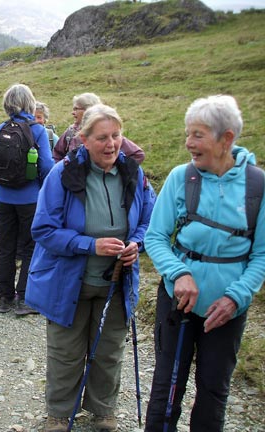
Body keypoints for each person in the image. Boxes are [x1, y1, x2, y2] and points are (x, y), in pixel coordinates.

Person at [25, 104, 155, 431]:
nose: (111, 144)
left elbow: (149, 220)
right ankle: (58, 413)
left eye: (116, 135)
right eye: (102, 138)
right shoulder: (63, 174)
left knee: (109, 351)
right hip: (69, 282)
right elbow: (43, 230)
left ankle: (103, 410)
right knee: (65, 352)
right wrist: (90, 245)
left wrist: (135, 244)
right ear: (84, 139)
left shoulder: (132, 173)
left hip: (116, 280)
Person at [143, 95, 265, 431]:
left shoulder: (258, 185)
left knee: (213, 391)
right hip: (178, 302)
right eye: (188, 134)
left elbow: (262, 254)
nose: (188, 143)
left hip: (227, 310)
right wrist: (178, 273)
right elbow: (155, 237)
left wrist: (236, 297)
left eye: (198, 135)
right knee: (166, 387)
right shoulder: (181, 178)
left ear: (226, 138)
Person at [0, 84, 54, 316]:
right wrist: (42, 189)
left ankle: (4, 298)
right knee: (30, 247)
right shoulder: (38, 130)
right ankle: (24, 299)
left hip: (3, 200)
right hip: (30, 201)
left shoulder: (0, 129)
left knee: (6, 248)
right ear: (30, 103)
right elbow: (46, 167)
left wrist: (4, 182)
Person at [52, 93, 145, 164]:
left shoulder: (109, 133)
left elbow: (137, 155)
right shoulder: (71, 132)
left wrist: (118, 172)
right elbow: (57, 154)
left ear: (88, 110)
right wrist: (64, 173)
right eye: (102, 138)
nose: (73, 113)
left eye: (76, 109)